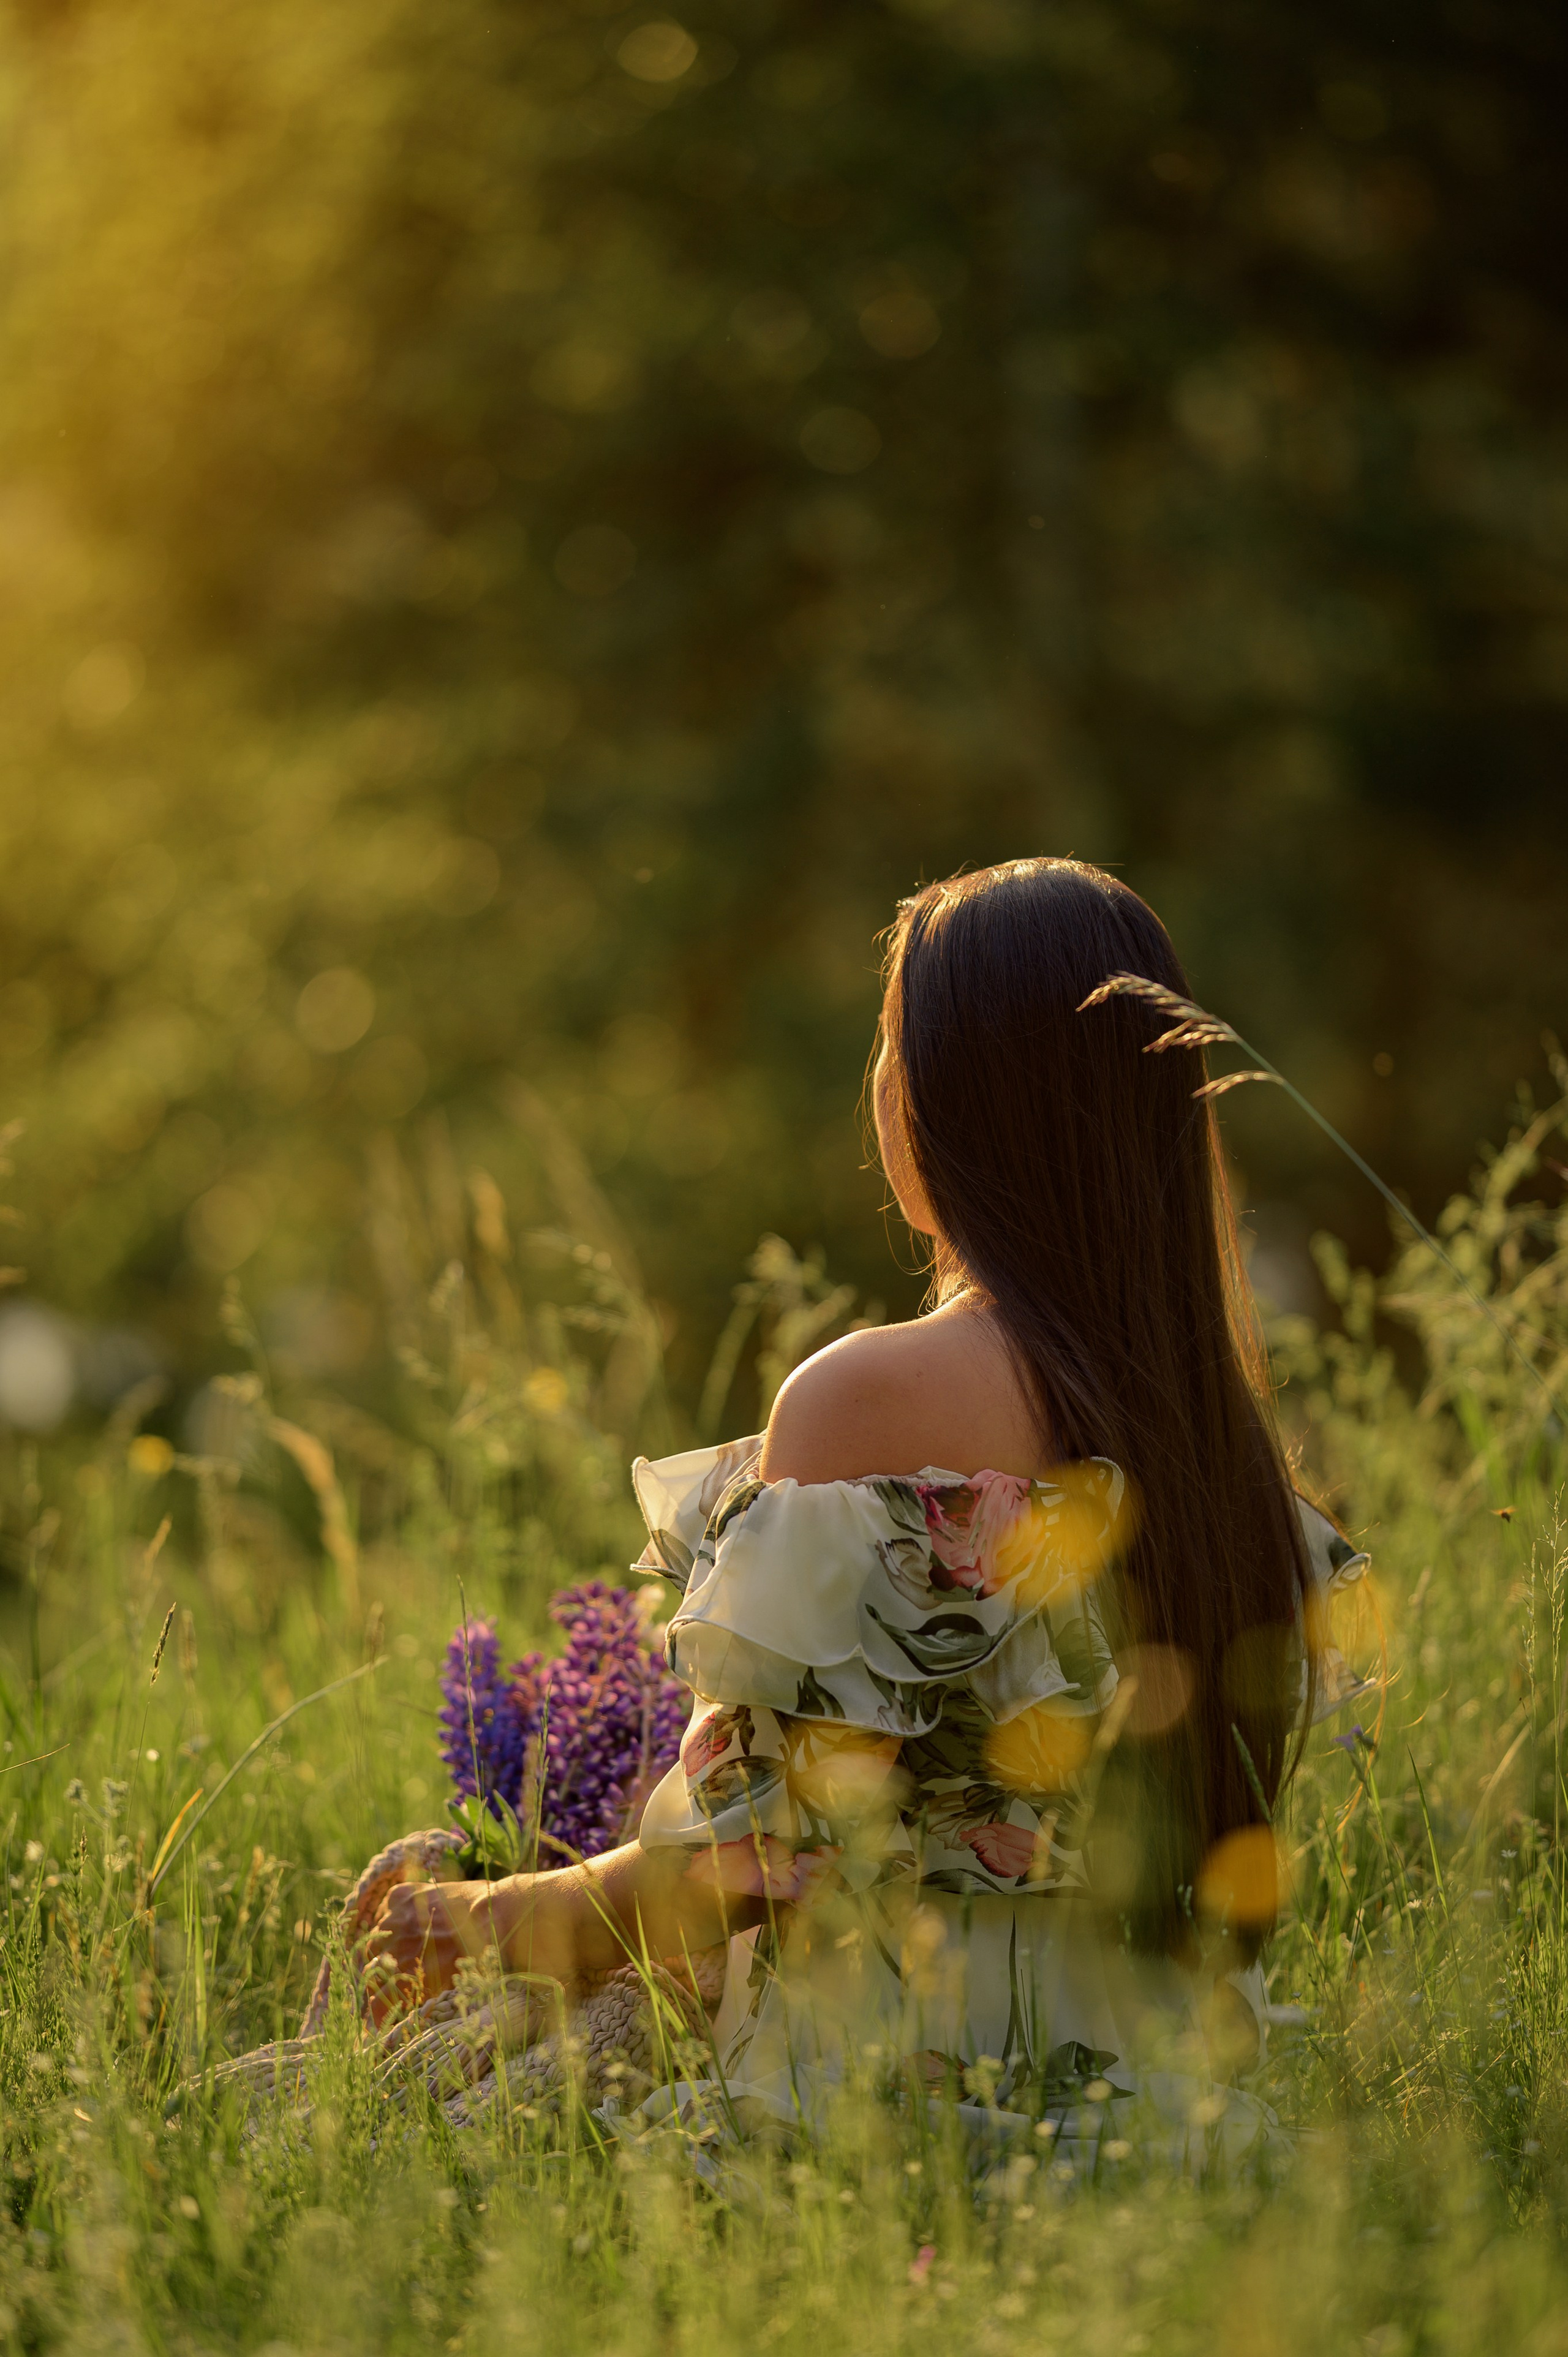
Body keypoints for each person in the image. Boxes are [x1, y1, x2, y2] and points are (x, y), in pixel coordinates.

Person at [361, 858, 1372, 2148]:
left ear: (943, 1101)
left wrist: (506, 1923)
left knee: (304, 2115)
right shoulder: (1223, 1455)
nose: (877, 1084)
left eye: (888, 1045)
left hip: (886, 2111)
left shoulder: (868, 1399)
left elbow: (763, 1860)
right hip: (1172, 2112)